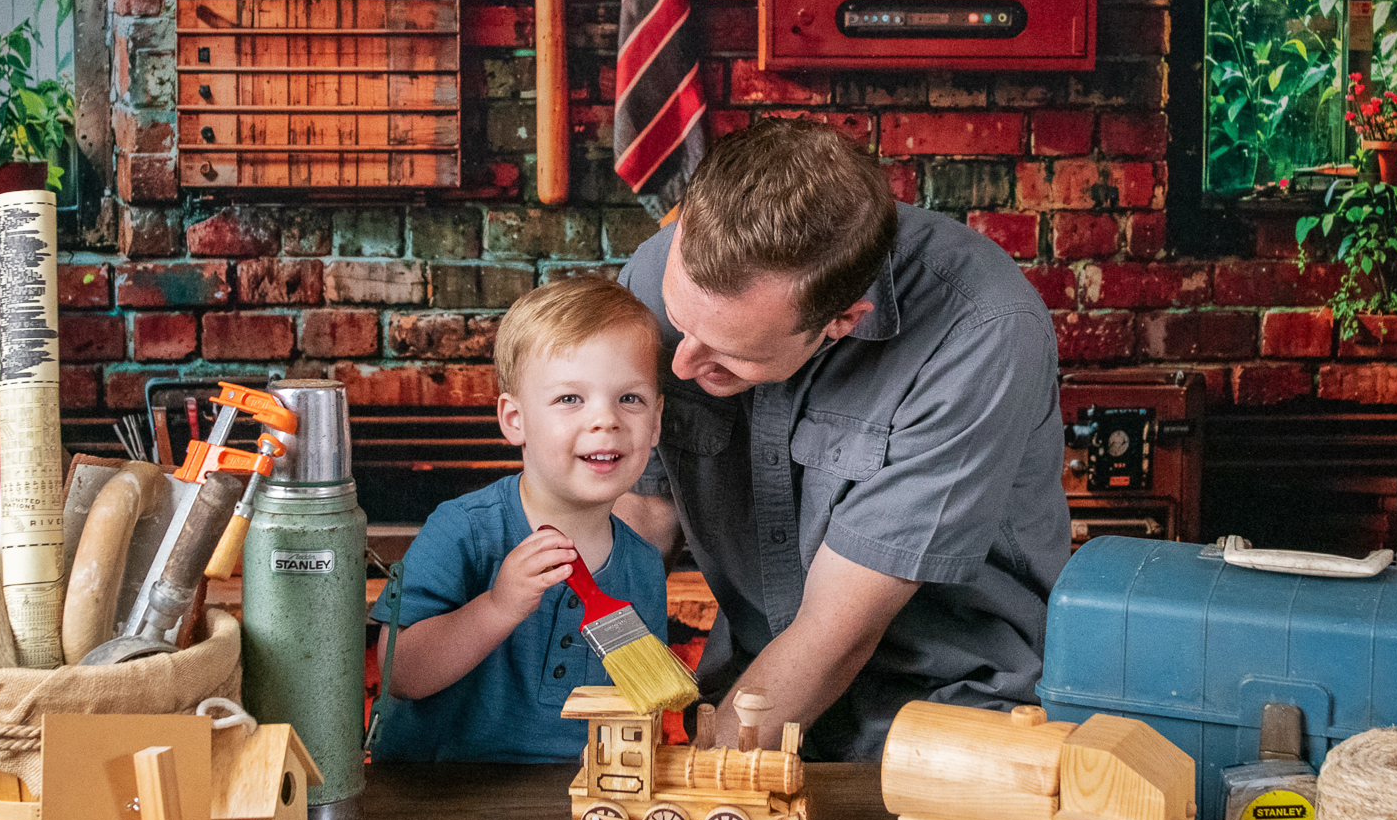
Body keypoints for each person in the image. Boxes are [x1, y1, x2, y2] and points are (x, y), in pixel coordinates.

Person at [615, 118, 1070, 762]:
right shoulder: (663, 269)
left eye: (729, 357)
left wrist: (701, 787)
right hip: (746, 693)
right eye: (679, 322)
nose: (682, 364)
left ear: (843, 320)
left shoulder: (981, 331)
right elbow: (645, 506)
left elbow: (835, 632)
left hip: (943, 721)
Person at [368, 275, 670, 763]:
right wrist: (497, 607)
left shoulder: (642, 565)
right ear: (515, 420)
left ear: (655, 423)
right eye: (570, 399)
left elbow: (642, 705)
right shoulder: (464, 529)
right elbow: (400, 675)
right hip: (434, 799)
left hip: (575, 803)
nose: (606, 420)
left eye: (629, 399)